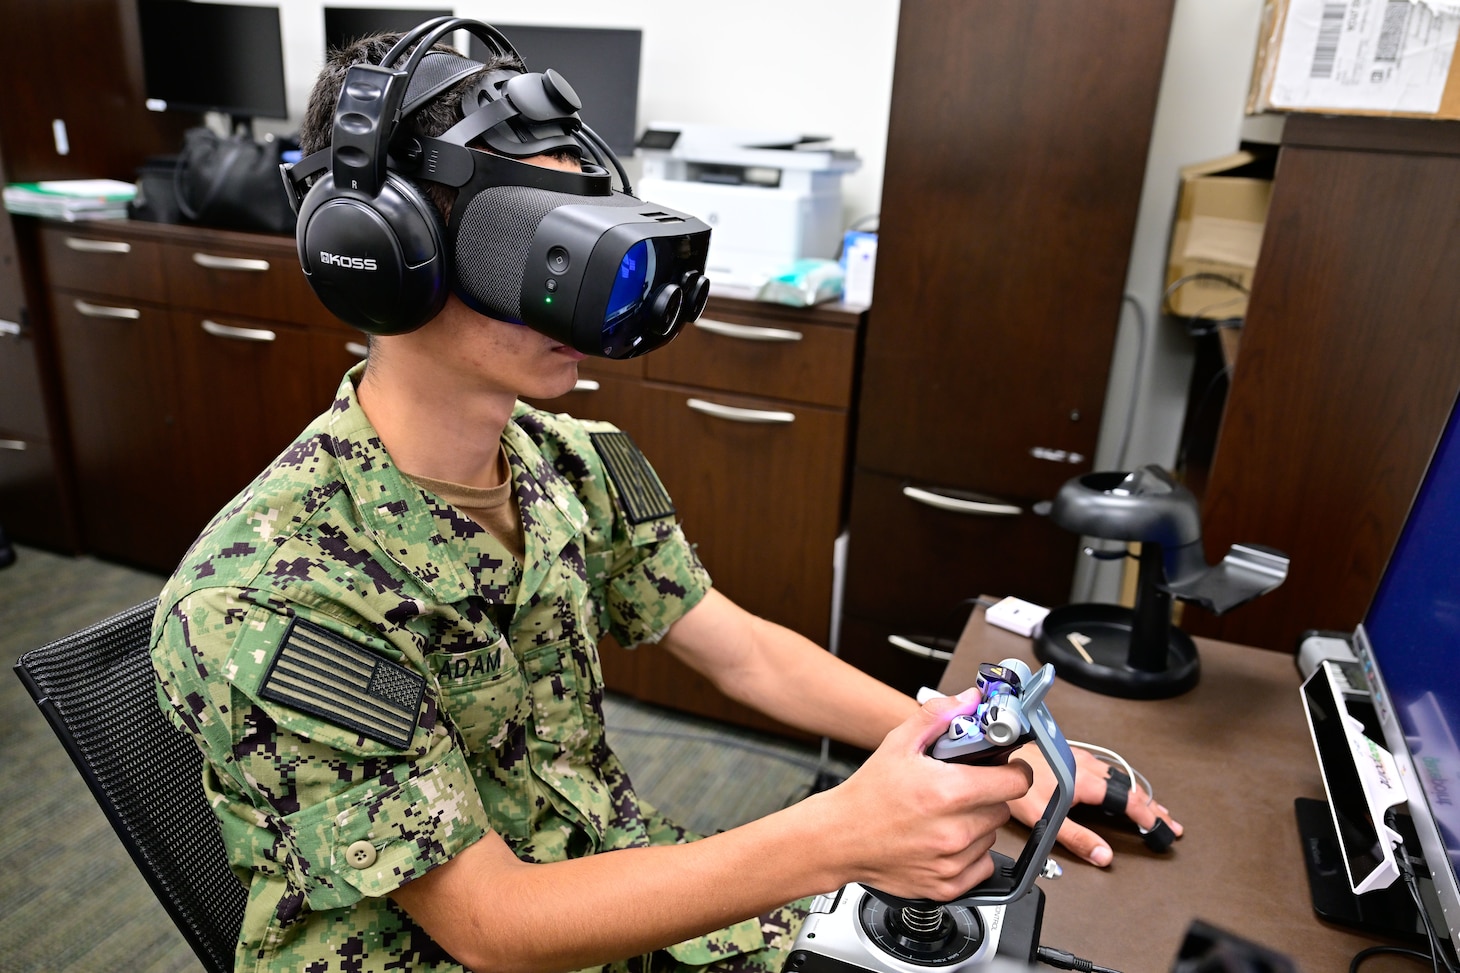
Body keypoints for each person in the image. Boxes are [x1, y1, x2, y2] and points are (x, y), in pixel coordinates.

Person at [150, 30, 1180, 973]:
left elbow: (738, 648)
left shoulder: (570, 459)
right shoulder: (265, 594)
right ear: (381, 248)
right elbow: (490, 924)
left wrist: (956, 738)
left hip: (615, 890)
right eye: (532, 241)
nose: (587, 290)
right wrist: (845, 833)